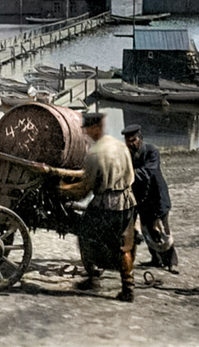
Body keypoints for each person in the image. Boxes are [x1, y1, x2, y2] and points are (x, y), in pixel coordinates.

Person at [60, 112, 137, 302]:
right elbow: (131, 174)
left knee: (85, 234)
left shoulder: (95, 153)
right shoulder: (120, 145)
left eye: (87, 129)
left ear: (96, 128)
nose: (85, 133)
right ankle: (128, 288)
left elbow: (85, 189)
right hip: (127, 201)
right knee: (124, 246)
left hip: (106, 205)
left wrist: (63, 189)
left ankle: (93, 277)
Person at [122, 124, 179, 272]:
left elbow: (149, 171)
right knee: (146, 228)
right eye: (128, 141)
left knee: (162, 229)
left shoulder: (151, 151)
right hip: (140, 198)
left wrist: (127, 175)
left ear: (140, 139)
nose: (131, 144)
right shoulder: (127, 155)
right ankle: (156, 259)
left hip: (157, 196)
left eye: (133, 140)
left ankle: (171, 262)